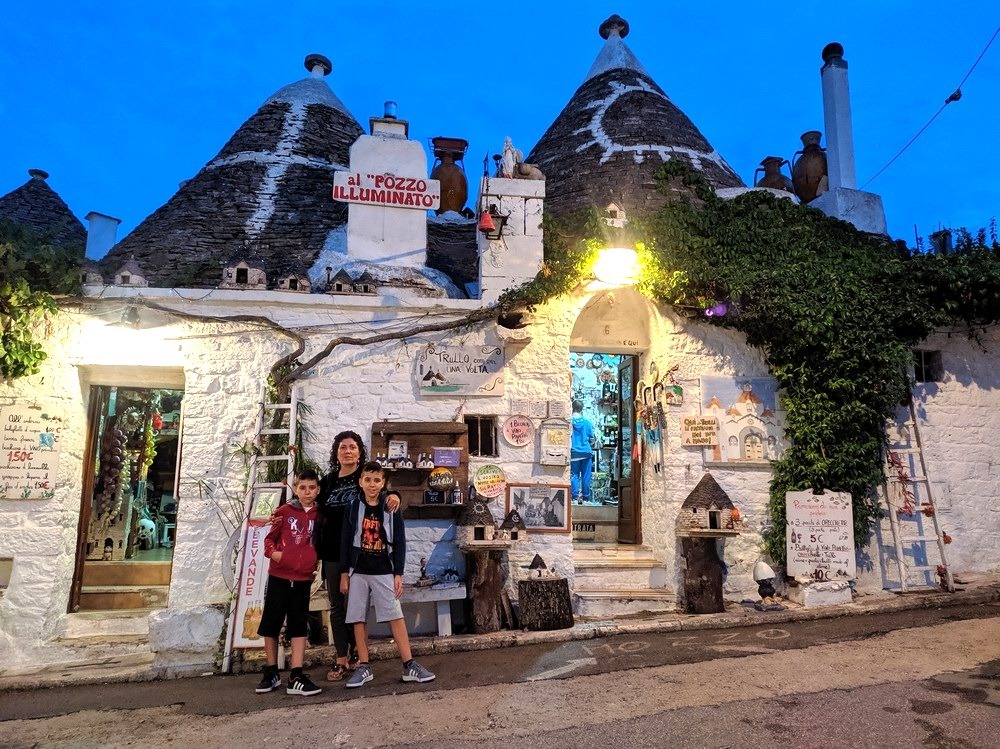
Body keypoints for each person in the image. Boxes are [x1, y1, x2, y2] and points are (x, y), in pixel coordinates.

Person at [340, 461, 435, 689]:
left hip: (384, 568)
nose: (372, 484)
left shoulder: (391, 507)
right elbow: (345, 541)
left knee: (395, 614)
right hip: (358, 570)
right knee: (357, 617)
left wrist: (398, 573)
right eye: (368, 480)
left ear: (383, 483)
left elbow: (400, 541)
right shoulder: (352, 507)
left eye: (377, 480)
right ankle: (364, 665)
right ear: (360, 481)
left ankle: (409, 663)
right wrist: (345, 573)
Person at [316, 430, 400, 681]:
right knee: (337, 606)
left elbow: (385, 494)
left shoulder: (363, 479)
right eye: (343, 447)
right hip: (333, 552)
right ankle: (342, 657)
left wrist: (396, 495)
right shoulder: (328, 481)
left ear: (360, 451)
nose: (348, 451)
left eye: (352, 447)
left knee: (357, 606)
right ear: (336, 452)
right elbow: (313, 507)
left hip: (360, 552)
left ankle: (358, 656)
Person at [255, 469, 322, 697]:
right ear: (295, 488)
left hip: (303, 579)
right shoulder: (284, 512)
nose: (307, 492)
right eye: (303, 487)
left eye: (312, 487)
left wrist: (314, 563)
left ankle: (296, 674)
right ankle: (272, 670)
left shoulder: (320, 515)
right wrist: (275, 555)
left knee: (298, 625)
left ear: (318, 490)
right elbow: (269, 539)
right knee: (271, 623)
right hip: (279, 577)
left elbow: (321, 541)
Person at [571, 399, 598, 503]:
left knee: (574, 475)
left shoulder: (570, 422)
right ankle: (586, 497)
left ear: (572, 408)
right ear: (582, 409)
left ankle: (574, 497)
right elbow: (592, 438)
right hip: (586, 452)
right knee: (586, 476)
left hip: (574, 453)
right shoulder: (587, 423)